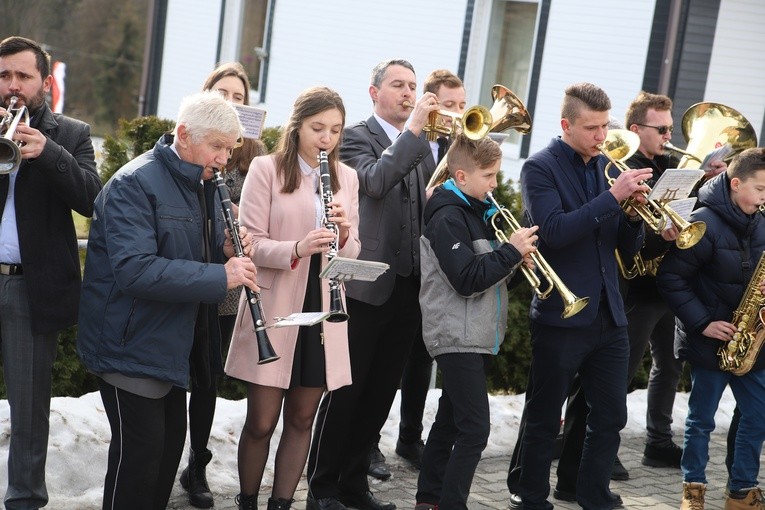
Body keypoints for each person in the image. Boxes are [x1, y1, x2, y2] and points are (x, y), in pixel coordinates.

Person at [76, 91, 259, 510]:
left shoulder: (205, 183)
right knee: (135, 471)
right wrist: (222, 274)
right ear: (183, 134)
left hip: (174, 346)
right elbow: (135, 269)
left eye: (230, 150)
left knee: (161, 467)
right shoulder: (133, 184)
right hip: (130, 345)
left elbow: (193, 249)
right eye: (217, 147)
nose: (223, 160)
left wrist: (227, 248)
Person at [306, 58, 442, 510]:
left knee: (381, 393)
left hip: (408, 287)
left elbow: (424, 207)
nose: (408, 93)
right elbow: (376, 183)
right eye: (398, 85)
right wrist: (416, 133)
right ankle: (322, 488)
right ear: (374, 92)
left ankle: (353, 486)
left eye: (413, 86)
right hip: (363, 287)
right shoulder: (357, 137)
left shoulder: (422, 144)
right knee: (346, 392)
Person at [516, 82, 652, 510]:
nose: (601, 136)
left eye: (604, 126)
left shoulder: (604, 165)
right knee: (543, 416)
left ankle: (592, 494)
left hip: (608, 315)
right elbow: (553, 232)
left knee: (610, 416)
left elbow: (621, 246)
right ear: (566, 125)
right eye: (591, 127)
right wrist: (613, 198)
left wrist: (634, 217)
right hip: (561, 314)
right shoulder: (539, 168)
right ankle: (531, 496)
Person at [224, 86, 361, 510]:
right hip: (277, 307)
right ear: (297, 126)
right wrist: (298, 248)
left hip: (324, 312)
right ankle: (248, 500)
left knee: (302, 419)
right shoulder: (266, 169)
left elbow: (354, 250)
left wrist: (341, 234)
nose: (327, 138)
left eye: (335, 130)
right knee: (262, 422)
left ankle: (282, 503)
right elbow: (249, 244)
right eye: (317, 128)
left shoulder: (348, 177)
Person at [0, 35, 101, 510]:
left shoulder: (71, 134)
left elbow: (91, 199)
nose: (13, 86)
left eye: (23, 76)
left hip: (29, 287)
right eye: (4, 76)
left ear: (44, 81)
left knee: (29, 405)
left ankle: (24, 498)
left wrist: (49, 155)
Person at [414, 134, 538, 510]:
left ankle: (428, 500)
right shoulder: (449, 215)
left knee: (451, 423)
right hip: (456, 333)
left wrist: (514, 264)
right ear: (462, 176)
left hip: (474, 333)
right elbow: (466, 280)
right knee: (475, 430)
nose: (496, 184)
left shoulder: (474, 211)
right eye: (489, 175)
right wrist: (509, 252)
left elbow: (486, 278)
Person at [368, 68, 467, 480]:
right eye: (450, 106)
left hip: (421, 272)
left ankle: (403, 438)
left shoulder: (434, 146)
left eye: (462, 106)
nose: (457, 113)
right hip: (379, 276)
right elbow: (377, 185)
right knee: (370, 372)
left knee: (410, 365)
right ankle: (363, 447)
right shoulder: (370, 137)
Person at [177, 61, 266, 509]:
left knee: (209, 377)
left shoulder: (252, 156)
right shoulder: (194, 150)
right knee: (183, 374)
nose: (231, 102)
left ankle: (199, 464)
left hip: (228, 285)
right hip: (189, 274)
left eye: (238, 97)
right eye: (223, 93)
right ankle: (174, 460)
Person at [620, 91, 725, 473]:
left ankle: (658, 442)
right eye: (660, 128)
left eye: (669, 127)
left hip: (669, 282)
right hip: (637, 287)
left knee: (669, 364)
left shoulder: (671, 163)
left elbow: (692, 213)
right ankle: (599, 441)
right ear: (636, 129)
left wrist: (709, 181)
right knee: (623, 369)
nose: (668, 135)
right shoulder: (625, 165)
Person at [656, 147, 765, 510]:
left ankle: (742, 489)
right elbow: (671, 278)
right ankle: (693, 488)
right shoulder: (702, 222)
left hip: (751, 340)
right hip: (709, 339)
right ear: (736, 185)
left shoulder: (762, 220)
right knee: (701, 420)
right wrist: (702, 323)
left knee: (757, 413)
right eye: (761, 189)